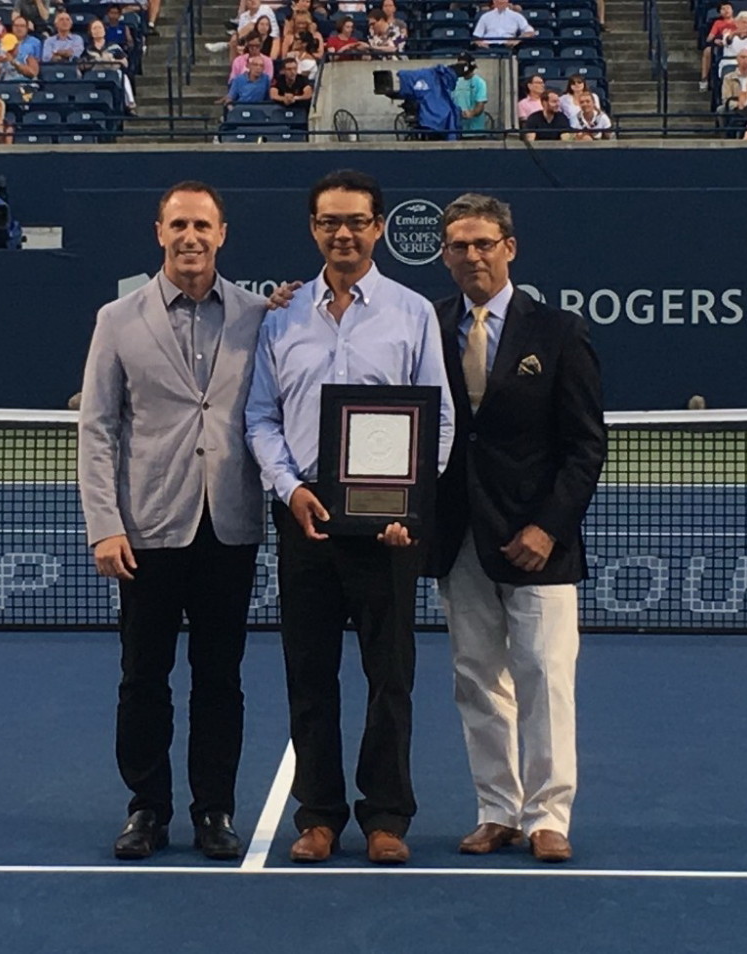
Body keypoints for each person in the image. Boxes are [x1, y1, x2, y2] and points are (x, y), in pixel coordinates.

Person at [245, 169, 455, 866]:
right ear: (314, 229)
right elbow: (261, 418)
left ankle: (388, 817)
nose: (343, 233)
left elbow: (440, 420)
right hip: (305, 521)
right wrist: (288, 489)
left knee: (390, 679)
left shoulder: (412, 312)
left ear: (379, 227)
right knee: (309, 677)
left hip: (389, 531)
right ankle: (319, 817)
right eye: (330, 222)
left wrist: (411, 506)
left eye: (356, 221)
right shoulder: (281, 316)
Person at [78, 181, 268, 862]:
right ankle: (147, 808)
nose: (191, 237)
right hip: (146, 530)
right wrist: (105, 523)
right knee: (142, 678)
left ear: (222, 235)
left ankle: (214, 809)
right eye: (179, 224)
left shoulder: (258, 316)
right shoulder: (117, 319)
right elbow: (97, 428)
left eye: (203, 226)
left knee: (220, 679)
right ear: (160, 232)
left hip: (230, 527)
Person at [429, 192, 605, 864]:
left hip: (538, 542)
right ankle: (497, 810)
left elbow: (585, 445)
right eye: (459, 246)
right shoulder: (430, 324)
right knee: (475, 675)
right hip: (458, 534)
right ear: (444, 255)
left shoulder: (559, 332)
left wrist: (548, 527)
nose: (472, 256)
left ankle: (549, 816)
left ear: (510, 247)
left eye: (484, 243)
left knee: (545, 675)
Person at [699, 1, 734, 92]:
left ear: (732, 10)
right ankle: (704, 80)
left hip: (734, 46)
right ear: (719, 12)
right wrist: (715, 40)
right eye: (723, 9)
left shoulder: (738, 22)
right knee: (707, 50)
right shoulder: (718, 23)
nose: (726, 10)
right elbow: (709, 39)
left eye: (728, 8)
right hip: (720, 46)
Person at [451, 52, 487, 135]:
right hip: (457, 130)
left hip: (475, 131)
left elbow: (480, 104)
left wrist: (472, 113)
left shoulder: (480, 82)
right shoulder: (454, 81)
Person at [0, 16, 41, 82]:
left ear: (27, 28)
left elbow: (34, 72)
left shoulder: (33, 45)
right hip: (5, 82)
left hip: (25, 81)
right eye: (16, 26)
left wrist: (13, 61)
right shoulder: (4, 42)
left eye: (22, 26)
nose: (19, 28)